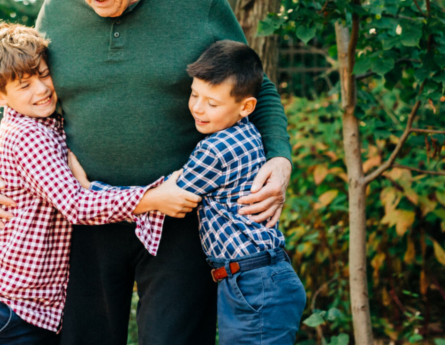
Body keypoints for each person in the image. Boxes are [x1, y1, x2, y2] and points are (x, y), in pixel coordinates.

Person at [0, 0, 293, 345]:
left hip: (179, 217)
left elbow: (259, 88)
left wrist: (279, 157)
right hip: (84, 225)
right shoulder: (58, 8)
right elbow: (17, 92)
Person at [0, 22, 198, 345]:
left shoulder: (45, 120)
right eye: (24, 86)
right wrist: (154, 198)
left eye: (43, 75)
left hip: (30, 307)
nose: (41, 90)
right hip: (9, 309)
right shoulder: (27, 136)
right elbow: (76, 205)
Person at [72, 40, 307, 345]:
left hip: (252, 283)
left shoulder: (216, 149)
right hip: (259, 277)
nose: (198, 107)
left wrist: (91, 189)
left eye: (213, 102)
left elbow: (169, 198)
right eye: (195, 94)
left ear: (246, 106)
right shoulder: (246, 132)